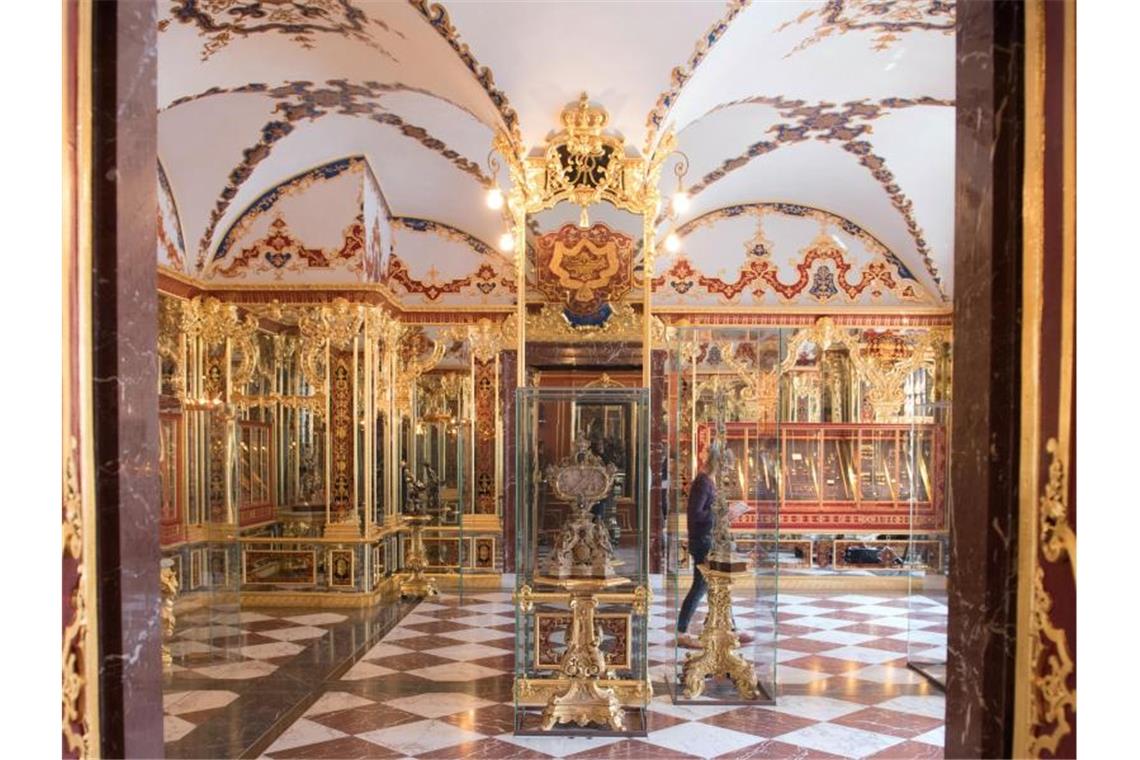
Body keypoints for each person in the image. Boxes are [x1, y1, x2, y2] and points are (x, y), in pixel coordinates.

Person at [677, 445, 752, 648]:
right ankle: (681, 631)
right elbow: (696, 515)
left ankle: (730, 629)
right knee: (701, 587)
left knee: (718, 586)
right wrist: (723, 515)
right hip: (702, 541)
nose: (727, 470)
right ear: (718, 463)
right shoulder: (702, 482)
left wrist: (725, 514)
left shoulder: (708, 481)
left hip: (707, 539)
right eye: (726, 465)